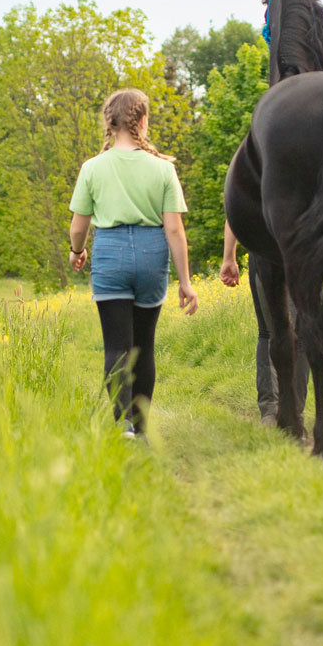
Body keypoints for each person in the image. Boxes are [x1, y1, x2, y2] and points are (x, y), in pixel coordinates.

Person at [68, 89, 199, 438]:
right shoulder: (163, 169)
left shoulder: (92, 168)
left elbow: (79, 226)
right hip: (151, 255)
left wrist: (77, 251)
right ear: (143, 121)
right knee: (144, 344)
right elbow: (174, 229)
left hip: (110, 254)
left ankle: (122, 425)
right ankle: (142, 427)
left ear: (109, 124)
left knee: (116, 346)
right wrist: (185, 281)